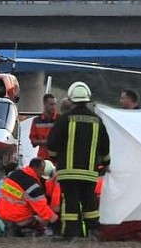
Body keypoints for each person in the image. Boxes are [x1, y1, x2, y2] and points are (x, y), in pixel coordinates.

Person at [47, 81, 110, 239]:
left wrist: (55, 159)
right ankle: (93, 231)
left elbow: (52, 144)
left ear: (71, 99)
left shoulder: (64, 120)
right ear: (87, 99)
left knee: (70, 201)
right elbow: (105, 146)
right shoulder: (97, 120)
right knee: (90, 201)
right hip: (89, 172)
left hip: (68, 172)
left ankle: (71, 233)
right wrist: (105, 163)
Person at [0, 158, 58, 236]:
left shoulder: (14, 174)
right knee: (43, 222)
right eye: (42, 173)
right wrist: (55, 219)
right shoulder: (32, 186)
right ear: (37, 169)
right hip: (19, 218)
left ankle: (12, 229)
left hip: (2, 214)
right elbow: (42, 209)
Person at [29, 93, 58, 160]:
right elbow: (33, 142)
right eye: (51, 104)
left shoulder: (59, 119)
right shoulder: (36, 121)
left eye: (54, 104)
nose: (53, 107)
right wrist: (45, 142)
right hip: (42, 158)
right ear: (45, 104)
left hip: (57, 158)